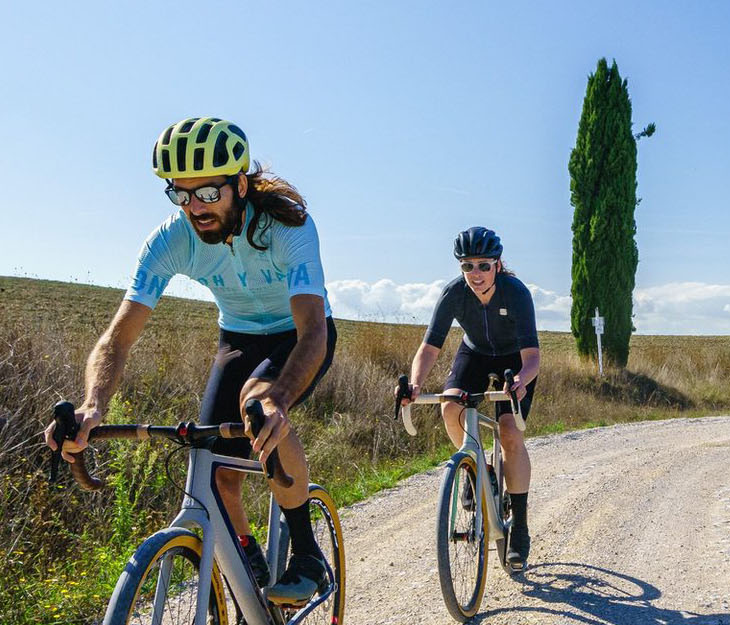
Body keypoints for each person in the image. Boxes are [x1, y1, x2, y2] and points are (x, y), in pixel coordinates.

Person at [43, 117, 336, 604]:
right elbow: (118, 338)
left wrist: (280, 396)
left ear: (240, 185)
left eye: (207, 194)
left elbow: (313, 329)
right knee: (216, 473)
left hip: (300, 337)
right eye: (180, 194)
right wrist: (93, 405)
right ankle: (251, 575)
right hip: (238, 338)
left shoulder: (287, 226)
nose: (193, 208)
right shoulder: (169, 241)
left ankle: (307, 554)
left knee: (258, 402)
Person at [399, 226, 540, 571]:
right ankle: (477, 469)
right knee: (450, 406)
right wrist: (415, 384)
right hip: (474, 354)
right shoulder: (454, 294)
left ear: (497, 264)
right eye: (467, 266)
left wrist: (520, 380)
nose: (475, 274)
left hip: (513, 361)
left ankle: (518, 527)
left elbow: (533, 356)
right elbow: (430, 347)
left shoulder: (515, 293)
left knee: (509, 431)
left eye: (483, 266)